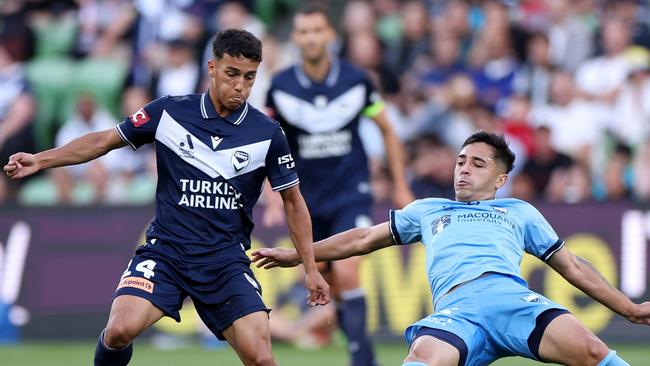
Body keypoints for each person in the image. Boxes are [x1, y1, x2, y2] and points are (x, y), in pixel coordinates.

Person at [4, 29, 329, 366]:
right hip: (167, 252)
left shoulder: (267, 133)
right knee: (118, 330)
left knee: (261, 358)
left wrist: (311, 269)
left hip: (224, 261)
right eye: (232, 74)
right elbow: (103, 141)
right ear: (212, 68)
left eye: (249, 77)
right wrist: (41, 159)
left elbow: (292, 201)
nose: (240, 86)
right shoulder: (169, 113)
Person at [252, 131, 650, 366]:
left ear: (500, 179)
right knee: (422, 361)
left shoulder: (519, 211)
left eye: (478, 163)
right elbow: (362, 239)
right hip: (458, 313)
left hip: (512, 301)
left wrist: (629, 309)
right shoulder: (428, 210)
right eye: (461, 160)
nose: (464, 168)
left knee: (596, 352)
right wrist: (300, 255)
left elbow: (574, 267)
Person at [263, 4, 414, 366]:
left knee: (348, 270)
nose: (311, 38)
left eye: (317, 31)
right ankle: (355, 345)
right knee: (327, 280)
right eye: (304, 32)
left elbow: (388, 131)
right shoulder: (280, 86)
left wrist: (400, 185)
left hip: (351, 192)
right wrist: (271, 196)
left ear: (330, 35)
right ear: (295, 38)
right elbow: (266, 142)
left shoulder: (357, 81)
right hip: (305, 200)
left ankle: (362, 358)